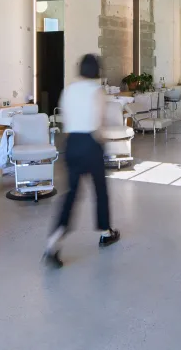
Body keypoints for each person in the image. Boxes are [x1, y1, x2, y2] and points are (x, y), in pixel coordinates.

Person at [43, 54, 120, 269]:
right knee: (100, 190)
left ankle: (52, 243)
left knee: (71, 196)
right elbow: (98, 123)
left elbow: (66, 121)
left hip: (71, 144)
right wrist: (102, 143)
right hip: (90, 143)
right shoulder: (97, 92)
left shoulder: (68, 90)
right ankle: (106, 232)